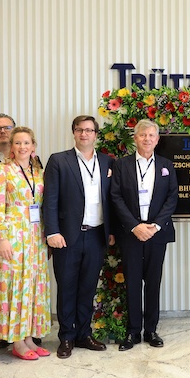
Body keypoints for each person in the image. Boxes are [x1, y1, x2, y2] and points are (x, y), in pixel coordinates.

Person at [44, 116, 112, 358]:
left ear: (96, 134)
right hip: (67, 237)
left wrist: (111, 231)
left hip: (96, 236)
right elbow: (49, 199)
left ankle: (84, 334)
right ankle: (66, 337)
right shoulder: (59, 160)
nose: (85, 134)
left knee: (87, 288)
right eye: (80, 130)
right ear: (74, 133)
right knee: (67, 288)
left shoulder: (106, 161)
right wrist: (52, 232)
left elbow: (111, 200)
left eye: (89, 130)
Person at [110, 120, 178, 351]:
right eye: (142, 135)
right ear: (135, 138)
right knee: (131, 282)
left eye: (151, 135)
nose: (147, 139)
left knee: (153, 282)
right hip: (131, 234)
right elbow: (115, 197)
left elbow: (172, 198)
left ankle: (151, 330)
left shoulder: (166, 165)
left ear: (157, 140)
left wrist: (156, 226)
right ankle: (132, 331)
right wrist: (134, 226)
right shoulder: (122, 165)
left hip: (156, 234)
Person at [0, 126, 52, 360]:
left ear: (33, 146)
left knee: (32, 287)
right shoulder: (2, 171)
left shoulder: (39, 172)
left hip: (36, 237)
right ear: (11, 147)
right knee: (15, 286)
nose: (22, 147)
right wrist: (2, 238)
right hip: (13, 235)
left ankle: (29, 338)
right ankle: (16, 340)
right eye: (18, 143)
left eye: (27, 143)